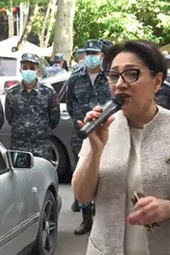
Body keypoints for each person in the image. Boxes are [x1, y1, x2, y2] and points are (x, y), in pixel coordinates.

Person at [72, 39, 170, 255]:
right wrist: (95, 150)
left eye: (131, 74)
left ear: (157, 81)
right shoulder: (103, 127)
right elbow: (82, 195)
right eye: (114, 75)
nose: (120, 84)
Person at [66, 39, 111, 234]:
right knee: (83, 172)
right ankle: (86, 219)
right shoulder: (76, 78)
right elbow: (69, 103)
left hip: (106, 134)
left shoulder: (110, 77)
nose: (91, 57)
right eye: (88, 53)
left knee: (105, 174)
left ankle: (103, 218)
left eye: (95, 53)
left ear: (102, 55)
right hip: (82, 134)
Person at [5, 53, 60, 160]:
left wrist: (39, 129)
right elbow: (10, 118)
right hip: (19, 146)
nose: (28, 70)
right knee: (20, 176)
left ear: (37, 70)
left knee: (41, 175)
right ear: (20, 70)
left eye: (32, 68)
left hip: (41, 146)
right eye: (25, 67)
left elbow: (54, 118)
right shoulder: (12, 93)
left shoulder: (48, 91)